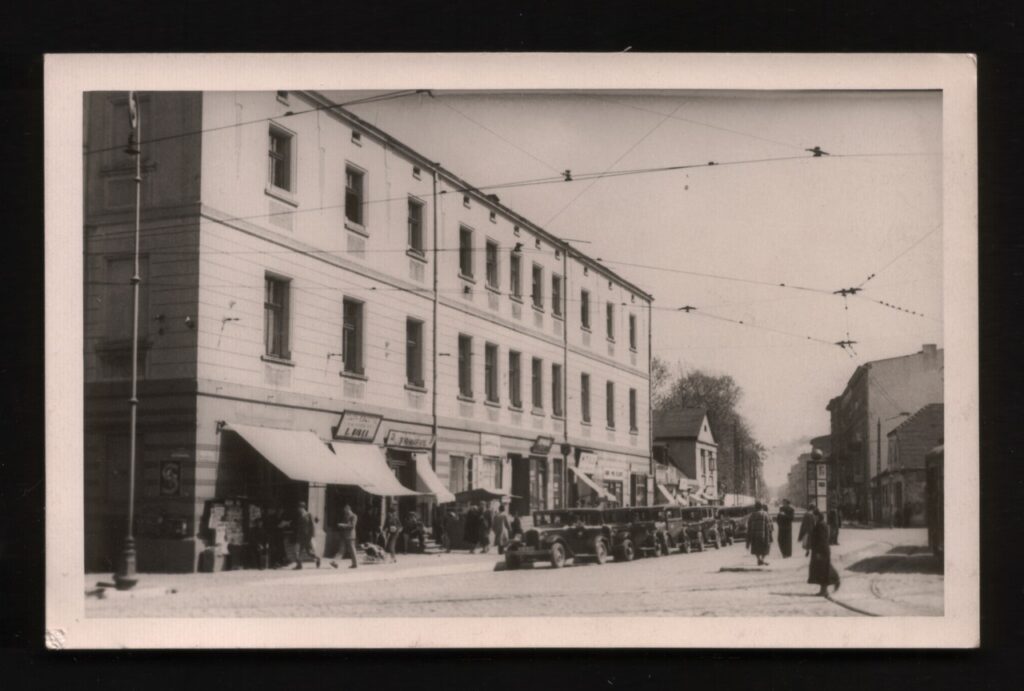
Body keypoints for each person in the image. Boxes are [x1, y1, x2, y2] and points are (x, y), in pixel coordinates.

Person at [808, 507, 840, 596]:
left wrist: (818, 552)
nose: (813, 518)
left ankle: (828, 587)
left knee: (823, 570)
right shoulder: (820, 524)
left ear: (817, 516)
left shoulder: (821, 525)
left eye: (814, 516)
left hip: (821, 551)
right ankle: (824, 589)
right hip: (821, 550)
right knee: (822, 569)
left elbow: (822, 540)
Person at [292, 501, 321, 569]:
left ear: (302, 508)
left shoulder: (309, 514)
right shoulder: (301, 516)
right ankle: (299, 565)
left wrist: (313, 534)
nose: (298, 509)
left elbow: (314, 522)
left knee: (308, 552)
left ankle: (317, 558)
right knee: (298, 551)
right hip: (300, 536)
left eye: (299, 508)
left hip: (306, 536)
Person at [331, 504, 359, 569]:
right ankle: (334, 562)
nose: (345, 511)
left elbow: (352, 526)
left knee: (352, 550)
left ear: (348, 509)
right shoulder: (345, 516)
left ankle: (355, 564)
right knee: (341, 550)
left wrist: (342, 525)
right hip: (344, 535)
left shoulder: (354, 516)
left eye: (345, 510)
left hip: (350, 536)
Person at [746, 501, 773, 566]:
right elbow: (770, 526)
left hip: (755, 535)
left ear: (755, 507)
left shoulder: (752, 515)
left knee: (756, 548)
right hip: (764, 535)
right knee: (765, 548)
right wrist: (770, 533)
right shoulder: (766, 514)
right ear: (761, 507)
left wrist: (748, 538)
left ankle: (758, 559)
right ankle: (762, 559)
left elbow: (749, 526)